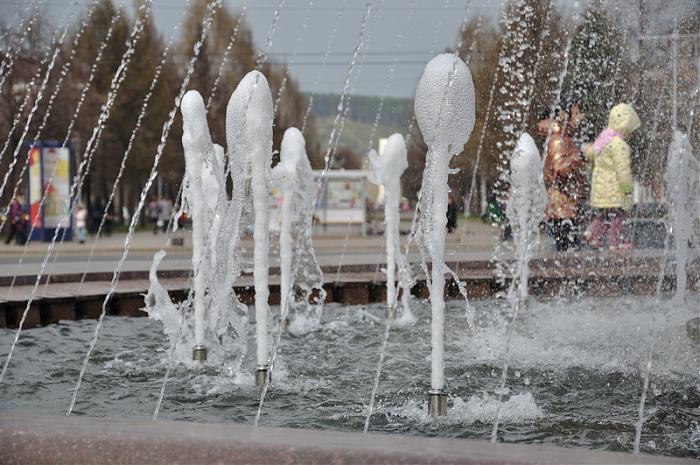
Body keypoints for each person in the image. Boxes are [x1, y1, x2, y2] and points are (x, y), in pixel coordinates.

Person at [583, 103, 641, 252]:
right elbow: (623, 170)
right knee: (619, 216)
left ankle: (592, 233)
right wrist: (627, 190)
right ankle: (615, 243)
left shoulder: (604, 139)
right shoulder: (619, 145)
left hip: (600, 187)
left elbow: (592, 159)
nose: (631, 134)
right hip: (614, 188)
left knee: (604, 214)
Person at [537, 104, 588, 251]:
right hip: (561, 205)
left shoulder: (564, 137)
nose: (580, 117)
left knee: (568, 247)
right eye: (576, 113)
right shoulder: (558, 140)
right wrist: (577, 159)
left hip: (566, 202)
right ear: (564, 115)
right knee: (566, 247)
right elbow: (557, 169)